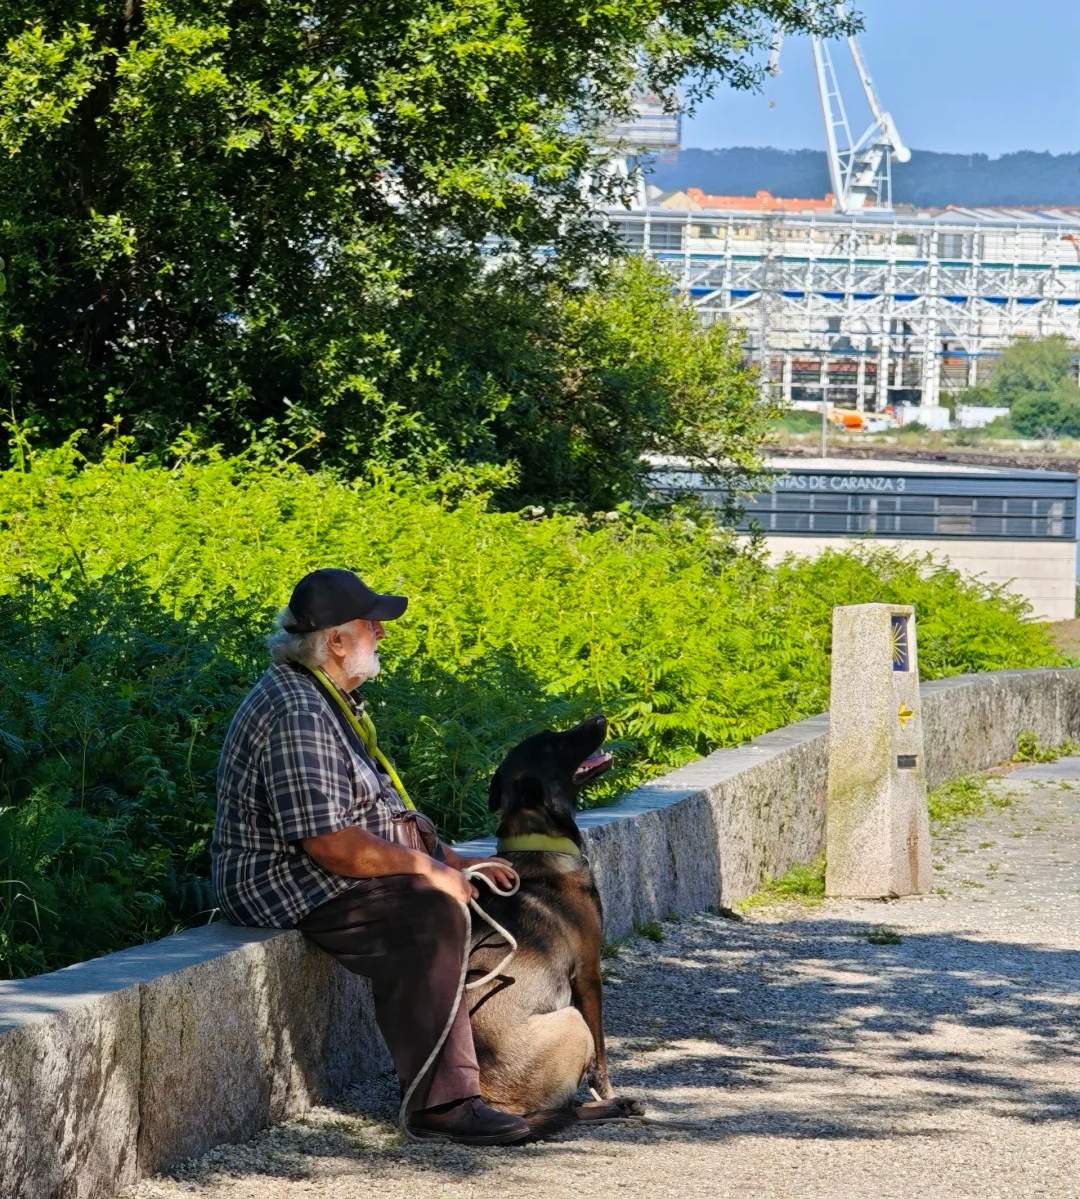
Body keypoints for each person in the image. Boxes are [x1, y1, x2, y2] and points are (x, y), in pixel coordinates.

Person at [212, 567, 530, 1146]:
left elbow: (379, 811)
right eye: (371, 625)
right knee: (429, 913)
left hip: (322, 873)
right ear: (336, 640)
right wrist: (430, 872)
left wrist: (453, 860)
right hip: (285, 883)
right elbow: (330, 843)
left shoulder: (327, 695)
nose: (381, 633)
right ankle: (444, 1103)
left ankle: (501, 1072)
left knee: (482, 892)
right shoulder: (299, 711)